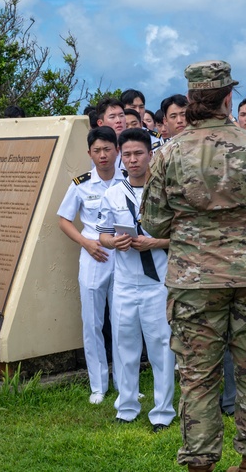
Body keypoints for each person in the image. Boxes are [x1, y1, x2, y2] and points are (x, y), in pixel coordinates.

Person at [143, 61, 246, 472]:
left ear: (191, 101)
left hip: (195, 278)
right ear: (229, 99)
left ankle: (200, 464)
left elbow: (153, 221)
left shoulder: (169, 152)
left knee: (197, 375)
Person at [96, 129, 174, 431]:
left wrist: (153, 243)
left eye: (138, 153)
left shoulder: (164, 192)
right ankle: (126, 407)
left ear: (150, 154)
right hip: (126, 282)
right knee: (124, 345)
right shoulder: (113, 193)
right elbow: (102, 233)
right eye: (126, 154)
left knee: (161, 348)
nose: (132, 159)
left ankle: (163, 413)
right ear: (120, 156)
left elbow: (179, 235)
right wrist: (113, 242)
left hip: (157, 282)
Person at [56, 126, 125, 405]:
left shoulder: (128, 179)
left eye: (107, 149)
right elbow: (63, 220)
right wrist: (86, 243)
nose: (103, 155)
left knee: (122, 322)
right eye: (97, 150)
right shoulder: (81, 183)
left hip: (122, 255)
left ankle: (124, 383)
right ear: (89, 153)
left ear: (116, 150)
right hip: (94, 255)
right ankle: (98, 385)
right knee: (93, 322)